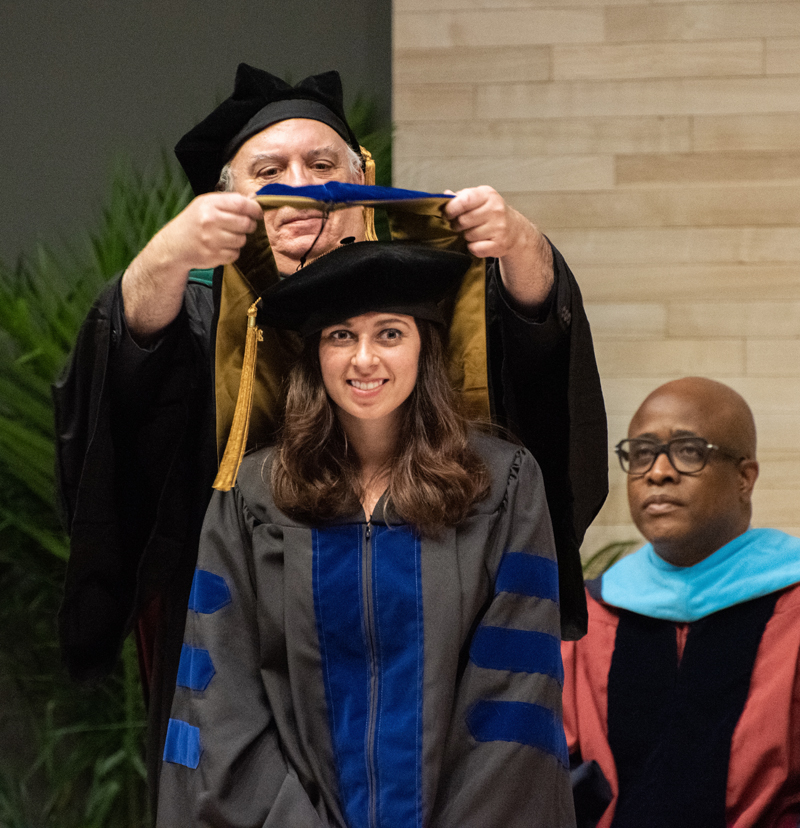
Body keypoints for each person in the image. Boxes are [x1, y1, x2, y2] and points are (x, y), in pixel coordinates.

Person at [54, 64, 606, 802]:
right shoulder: (199, 313)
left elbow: (537, 356)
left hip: (434, 644)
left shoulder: (434, 297)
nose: (302, 187)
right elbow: (118, 400)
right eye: (269, 172)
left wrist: (520, 243)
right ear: (227, 197)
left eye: (322, 166)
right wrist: (167, 254)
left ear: (363, 179)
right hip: (238, 652)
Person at [156, 240, 575, 828]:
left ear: (425, 346)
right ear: (315, 355)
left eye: (390, 334)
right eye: (340, 336)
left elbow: (515, 695)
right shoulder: (253, 495)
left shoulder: (500, 484)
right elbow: (222, 694)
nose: (364, 359)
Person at [561, 377, 800, 828]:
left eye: (689, 451)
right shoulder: (592, 616)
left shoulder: (792, 604)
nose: (658, 472)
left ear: (745, 478)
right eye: (641, 453)